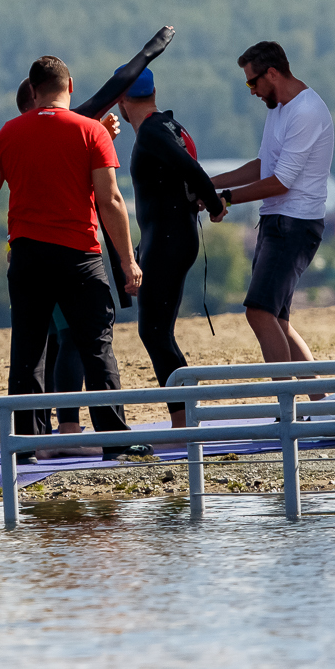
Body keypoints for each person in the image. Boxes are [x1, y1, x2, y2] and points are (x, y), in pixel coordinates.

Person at [0, 55, 145, 461]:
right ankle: (114, 442)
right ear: (71, 85)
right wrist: (128, 260)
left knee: (28, 350)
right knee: (96, 347)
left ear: (32, 90)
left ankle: (25, 446)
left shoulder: (6, 134)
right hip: (80, 254)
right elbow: (111, 200)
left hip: (27, 255)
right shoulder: (91, 132)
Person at [208, 41, 334, 369]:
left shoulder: (306, 111)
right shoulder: (279, 108)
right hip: (276, 221)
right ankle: (317, 396)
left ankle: (286, 399)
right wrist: (210, 184)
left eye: (253, 82)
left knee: (259, 313)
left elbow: (281, 182)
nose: (251, 91)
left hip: (294, 225)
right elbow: (263, 166)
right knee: (277, 320)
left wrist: (227, 198)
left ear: (273, 73)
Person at [117, 66, 227, 429]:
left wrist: (214, 203)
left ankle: (184, 422)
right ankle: (184, 419)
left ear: (121, 100)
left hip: (168, 241)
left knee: (154, 332)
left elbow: (189, 167)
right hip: (170, 239)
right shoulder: (169, 125)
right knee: (158, 332)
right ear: (152, 93)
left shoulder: (151, 131)